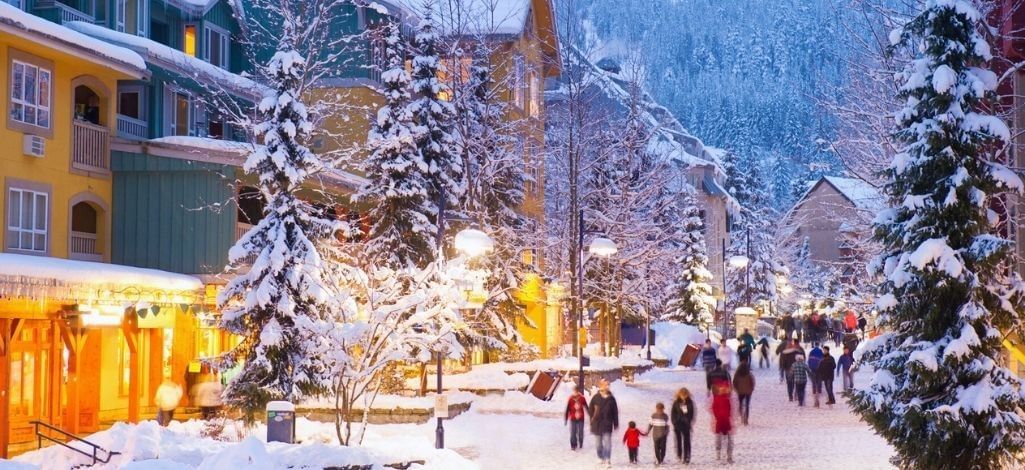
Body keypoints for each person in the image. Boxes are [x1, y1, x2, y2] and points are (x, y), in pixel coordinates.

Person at [589, 379, 619, 465]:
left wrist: (616, 423)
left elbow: (615, 412)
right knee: (598, 444)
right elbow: (590, 409)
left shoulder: (611, 399)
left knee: (607, 443)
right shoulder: (595, 397)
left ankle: (607, 459)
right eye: (606, 385)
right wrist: (592, 418)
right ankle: (600, 457)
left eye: (608, 385)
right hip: (597, 424)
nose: (607, 387)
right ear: (601, 386)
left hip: (607, 424)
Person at [710, 365, 734, 464]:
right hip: (723, 420)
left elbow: (715, 409)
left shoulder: (720, 398)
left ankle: (721, 454)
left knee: (722, 438)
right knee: (726, 438)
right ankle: (725, 455)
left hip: (721, 420)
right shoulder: (724, 399)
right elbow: (729, 409)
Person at [670, 388, 695, 464]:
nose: (683, 397)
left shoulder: (690, 402)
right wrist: (674, 421)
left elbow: (691, 413)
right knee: (678, 440)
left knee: (686, 441)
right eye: (682, 395)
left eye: (685, 395)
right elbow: (673, 413)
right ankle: (679, 455)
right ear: (679, 395)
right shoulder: (676, 402)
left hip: (686, 424)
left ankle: (687, 456)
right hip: (677, 424)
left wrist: (688, 420)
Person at [565, 385, 588, 450]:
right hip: (573, 418)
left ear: (578, 391)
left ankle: (581, 442)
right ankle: (573, 445)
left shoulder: (582, 398)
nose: (575, 392)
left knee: (580, 432)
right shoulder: (570, 398)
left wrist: (590, 415)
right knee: (573, 433)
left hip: (581, 418)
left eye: (576, 391)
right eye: (574, 391)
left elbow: (586, 406)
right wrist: (566, 417)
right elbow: (567, 409)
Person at [732, 361, 755, 425]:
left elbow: (734, 383)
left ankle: (741, 414)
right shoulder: (749, 374)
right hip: (748, 392)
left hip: (740, 392)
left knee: (740, 403)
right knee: (747, 405)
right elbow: (752, 383)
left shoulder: (737, 375)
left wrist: (736, 389)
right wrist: (751, 389)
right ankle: (746, 419)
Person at [807, 342, 824, 407]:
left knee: (814, 380)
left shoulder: (811, 352)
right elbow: (823, 359)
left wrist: (810, 367)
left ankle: (814, 390)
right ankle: (819, 390)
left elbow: (809, 360)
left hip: (813, 368)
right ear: (818, 345)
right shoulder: (820, 352)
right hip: (819, 368)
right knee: (819, 379)